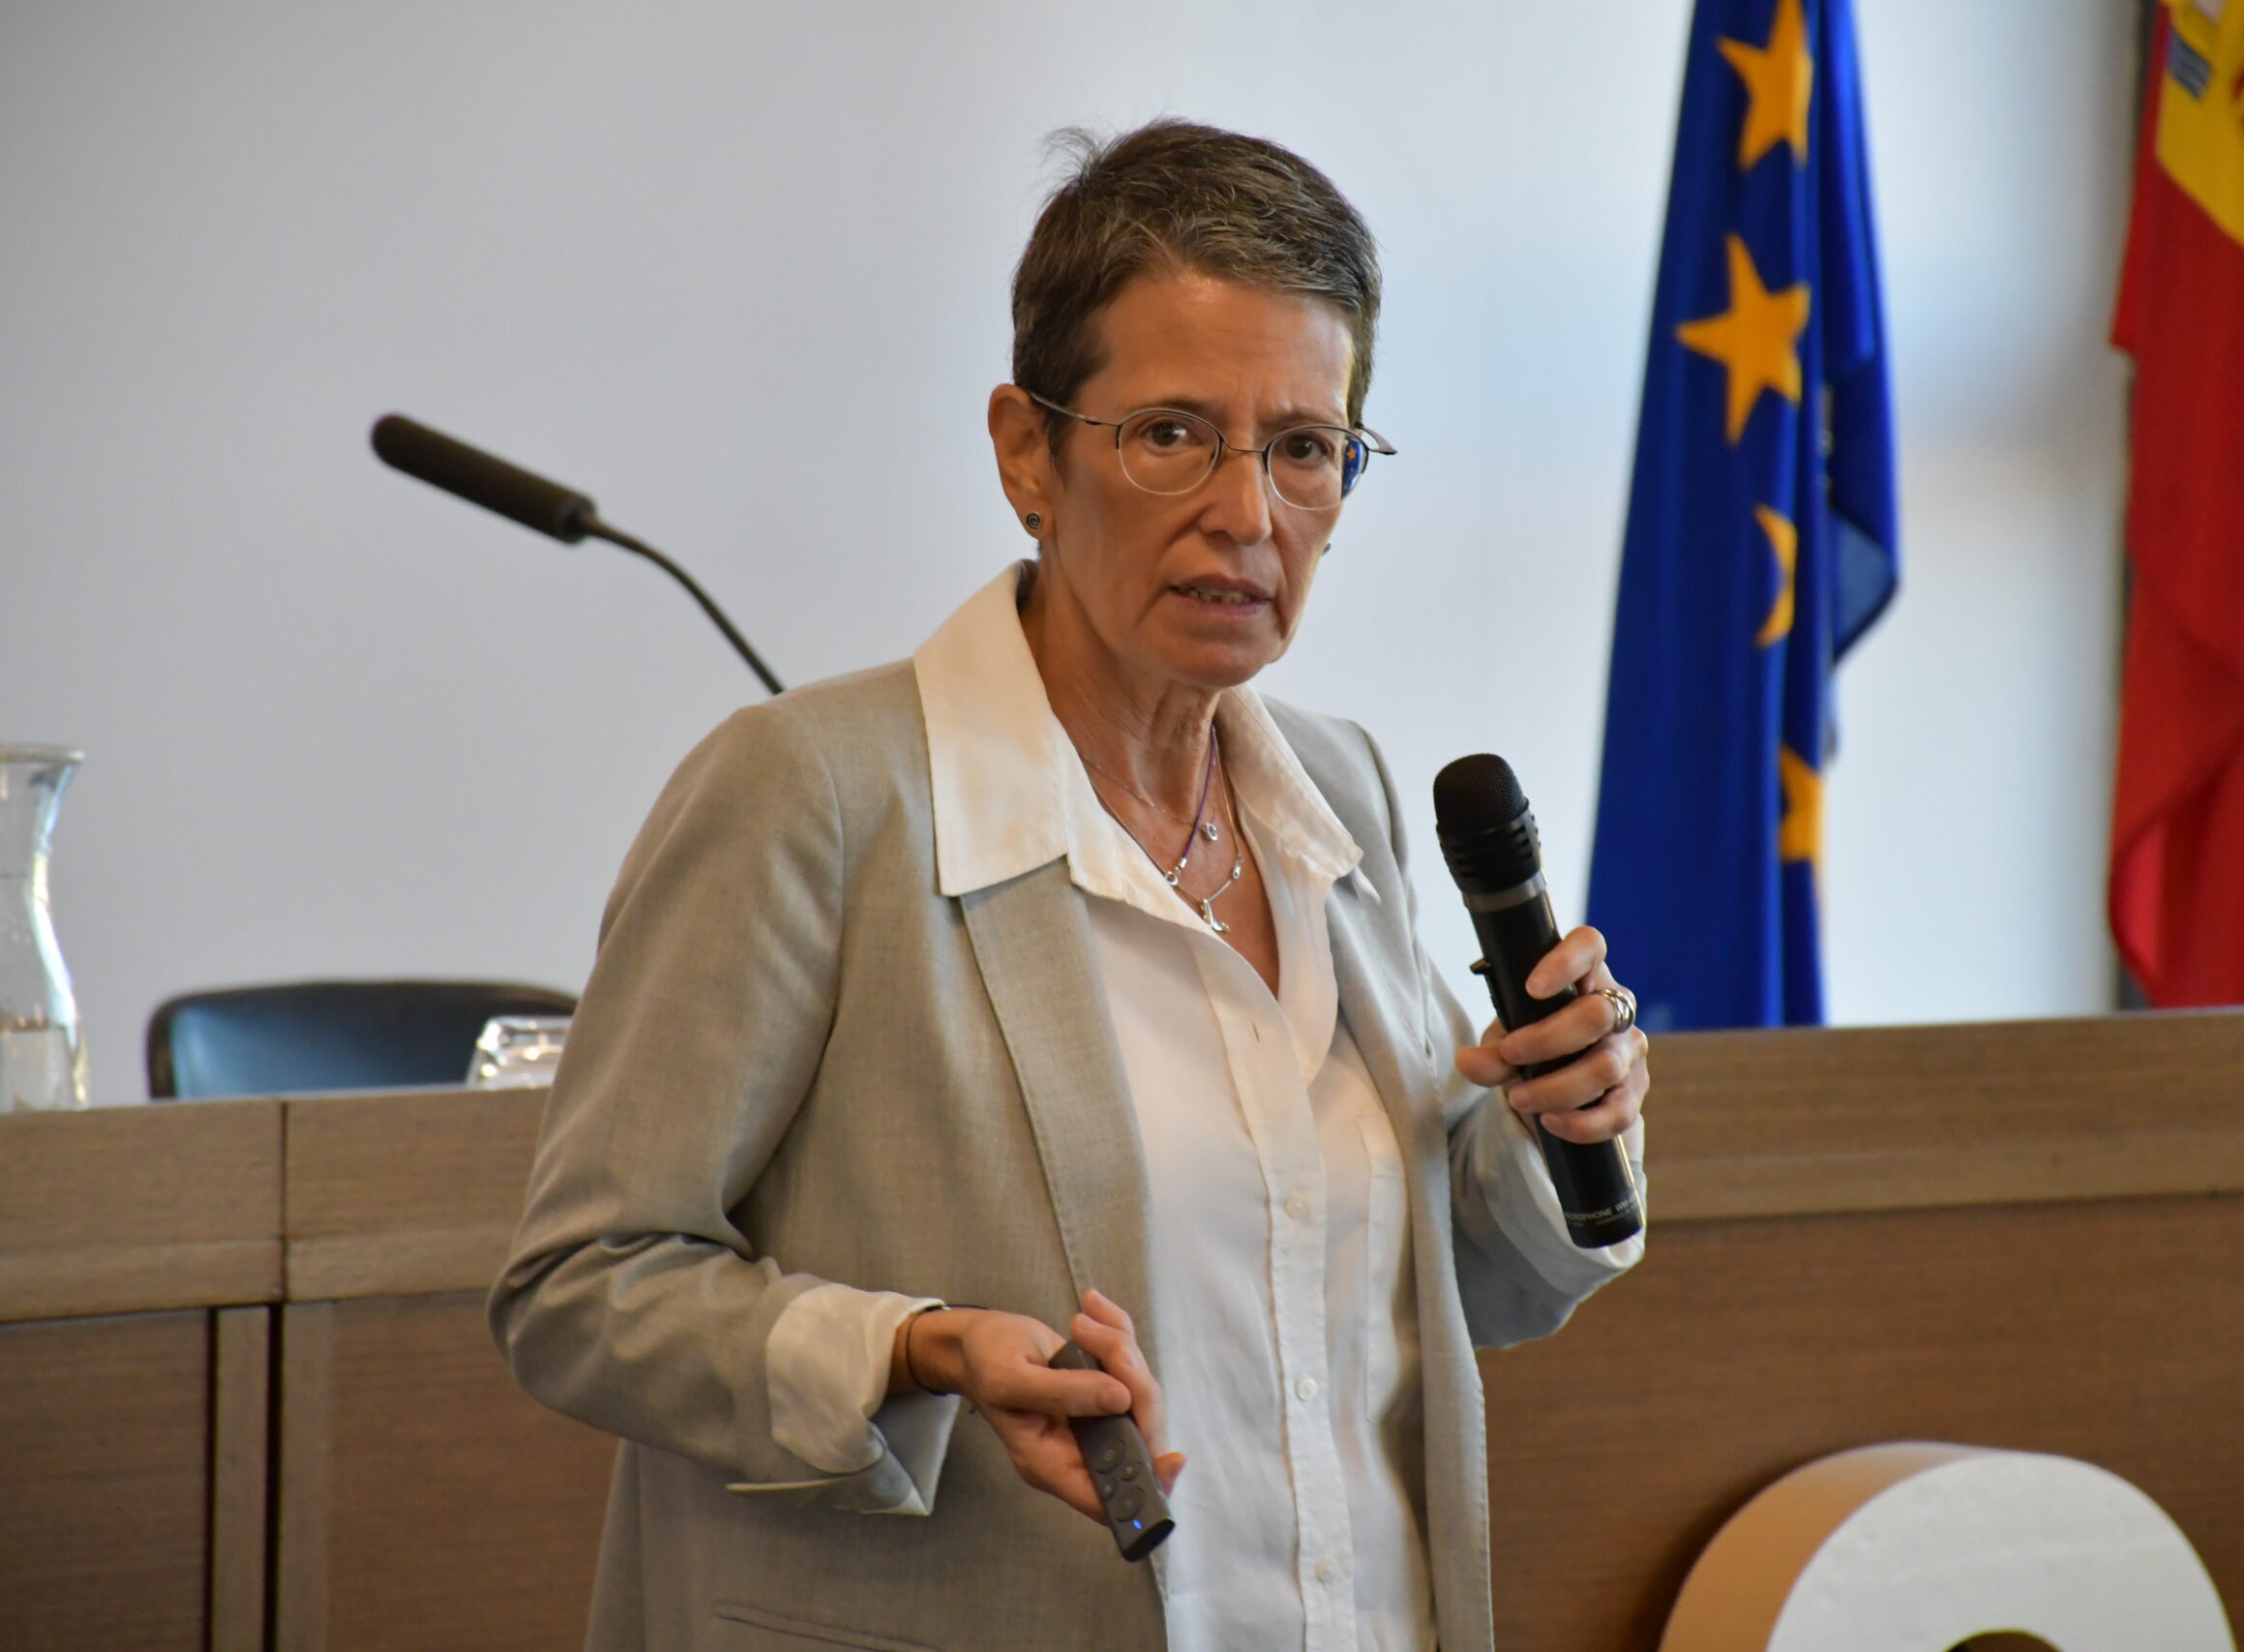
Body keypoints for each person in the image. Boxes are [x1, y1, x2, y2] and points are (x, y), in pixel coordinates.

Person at [489, 118, 1649, 1652]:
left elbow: (1450, 1288)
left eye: (1306, 448)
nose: (1250, 514)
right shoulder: (814, 794)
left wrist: (1554, 1126)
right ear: (1026, 453)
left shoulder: (1343, 791)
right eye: (1171, 434)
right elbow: (582, 1287)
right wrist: (913, 1349)